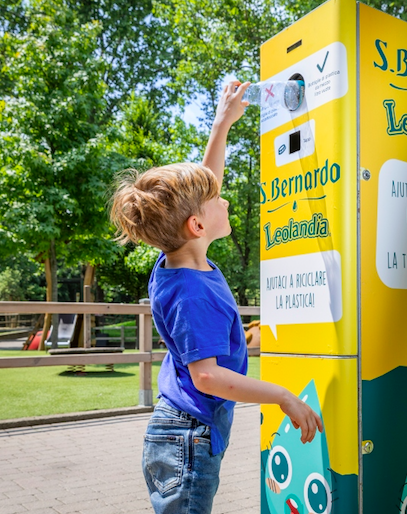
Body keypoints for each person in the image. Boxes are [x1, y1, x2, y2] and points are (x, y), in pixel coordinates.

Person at [109, 80, 323, 514]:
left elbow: (203, 191)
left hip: (184, 432)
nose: (223, 199)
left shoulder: (180, 259)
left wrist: (222, 124)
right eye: (217, 200)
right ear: (197, 227)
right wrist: (282, 395)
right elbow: (206, 377)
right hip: (187, 439)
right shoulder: (191, 292)